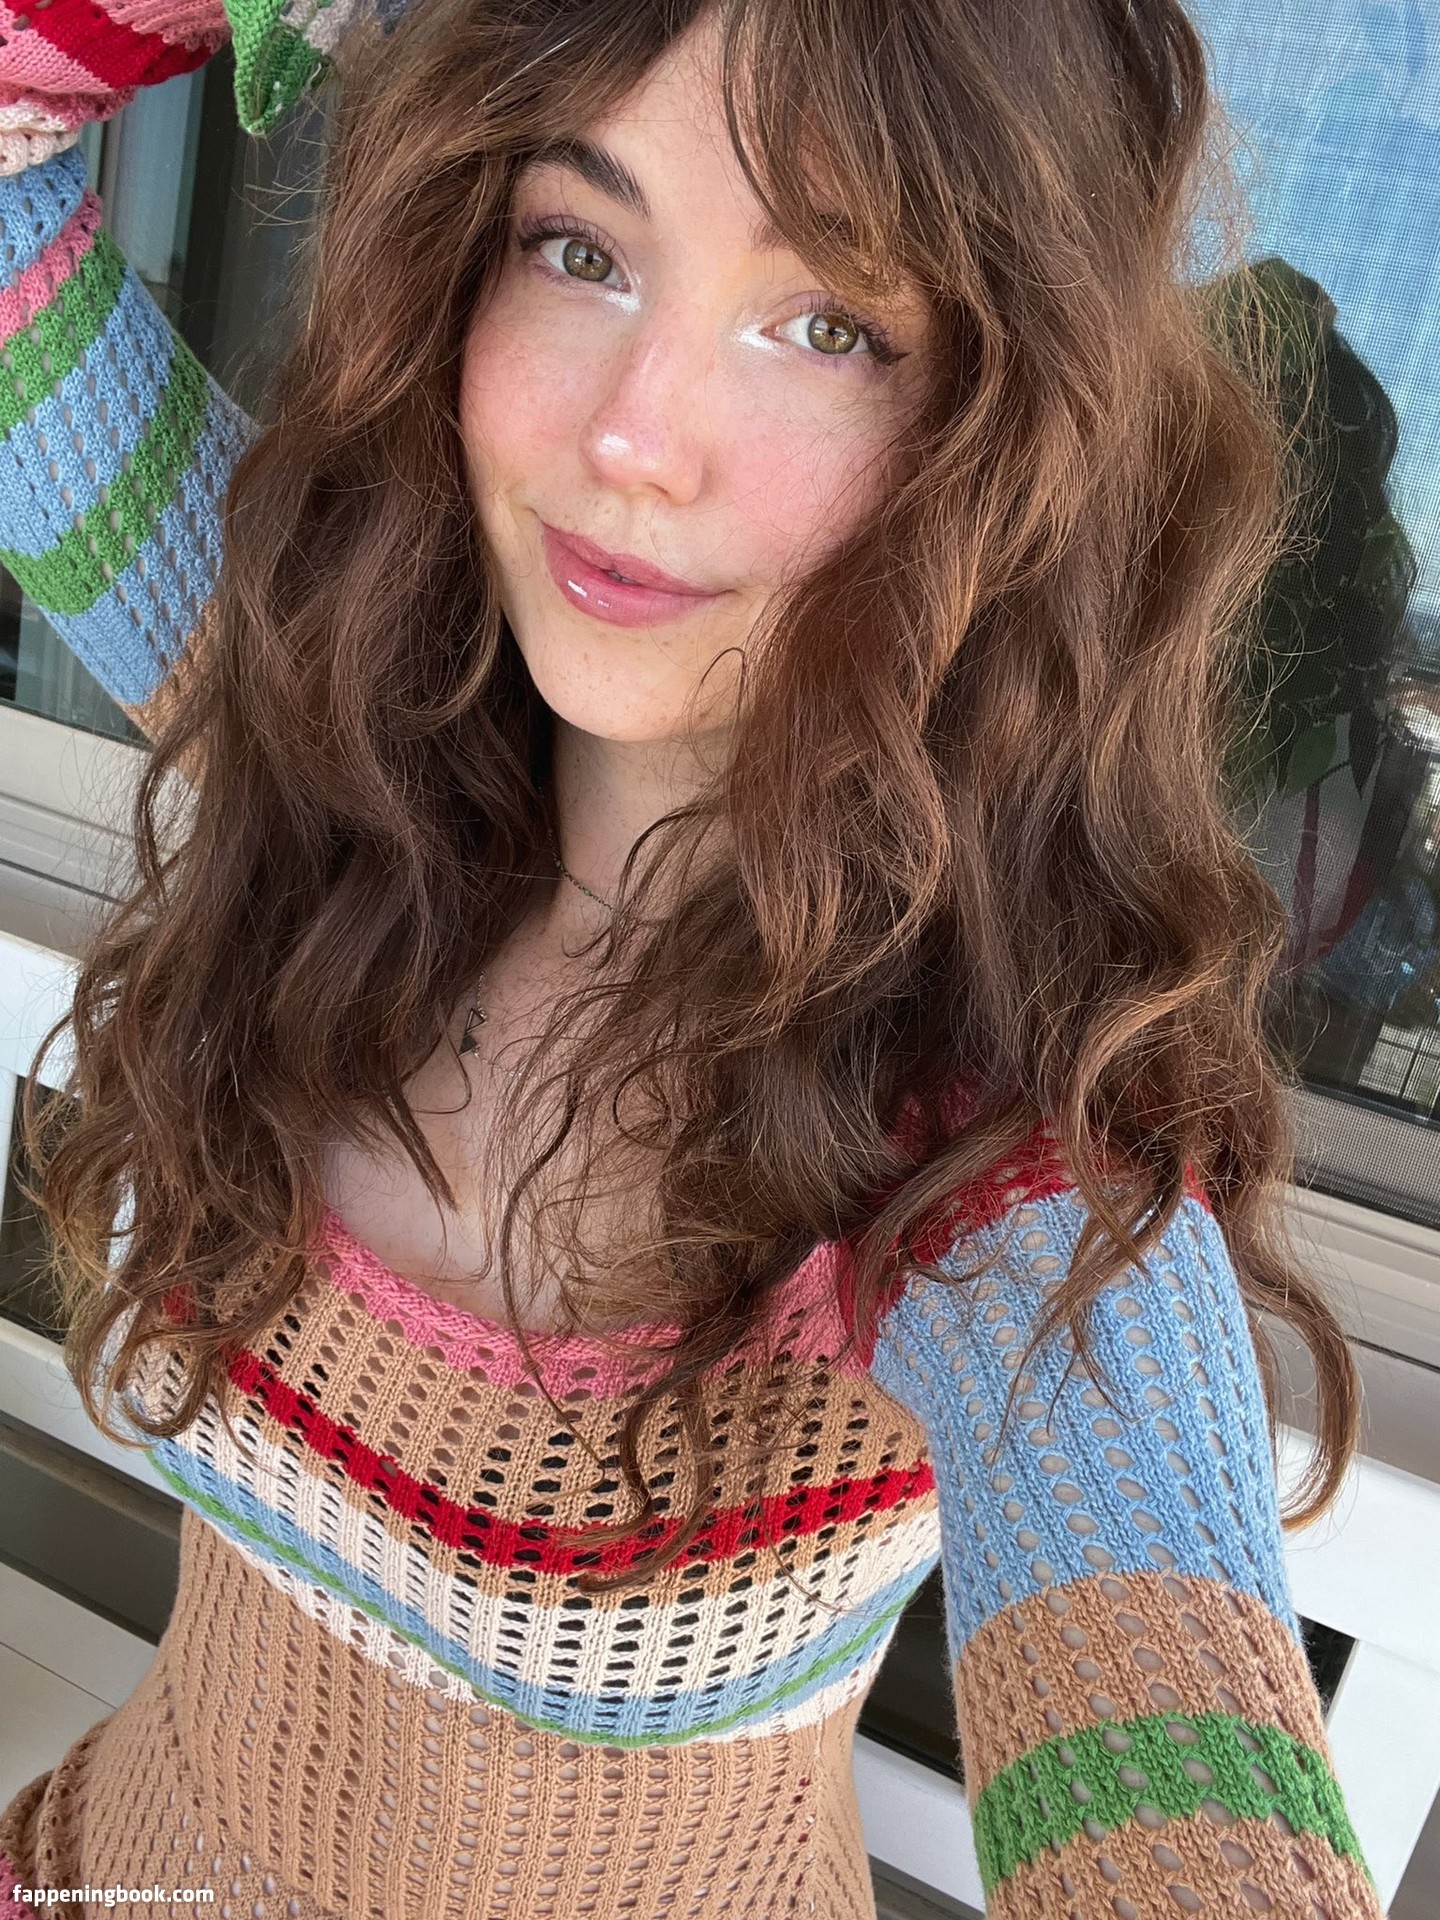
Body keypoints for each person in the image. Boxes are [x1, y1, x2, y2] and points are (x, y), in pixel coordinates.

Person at [0, 0, 1388, 1914]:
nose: (633, 438)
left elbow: (1188, 1791)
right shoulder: (317, 739)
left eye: (832, 324)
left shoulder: (1004, 1166)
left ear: (1008, 435)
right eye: (578, 246)